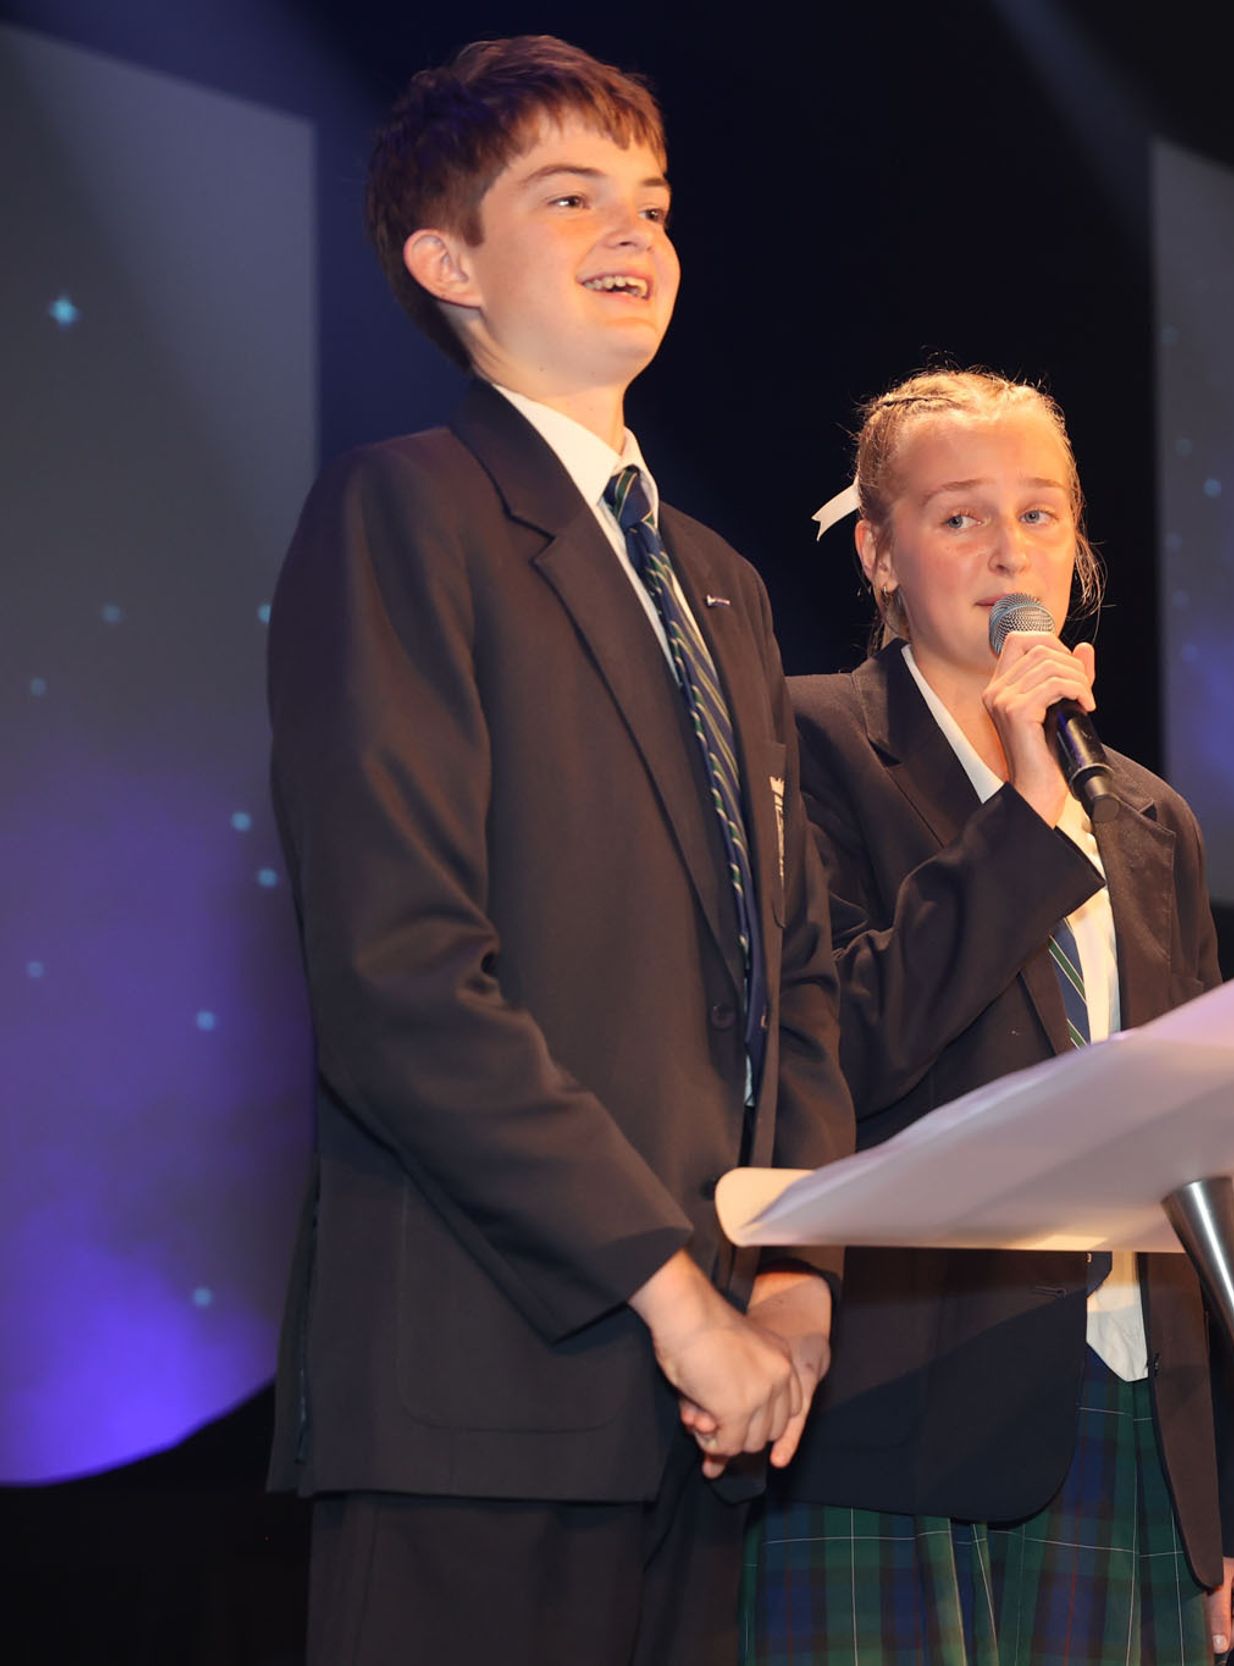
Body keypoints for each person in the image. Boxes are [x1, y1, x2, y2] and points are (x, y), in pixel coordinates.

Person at [264, 36, 852, 1666]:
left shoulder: (722, 583)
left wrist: (794, 1276)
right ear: (447, 264)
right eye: (571, 196)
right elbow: (399, 979)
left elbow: (794, 978)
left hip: (718, 1407)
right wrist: (674, 1294)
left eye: (651, 201)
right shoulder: (405, 512)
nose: (634, 231)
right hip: (487, 1388)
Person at [747, 370, 1234, 1663]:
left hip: (1137, 1409)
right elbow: (844, 1042)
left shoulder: (1148, 817)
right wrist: (1024, 816)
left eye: (1040, 514)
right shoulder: (806, 742)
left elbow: (1203, 1149)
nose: (1008, 551)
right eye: (960, 517)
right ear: (880, 555)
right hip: (907, 1411)